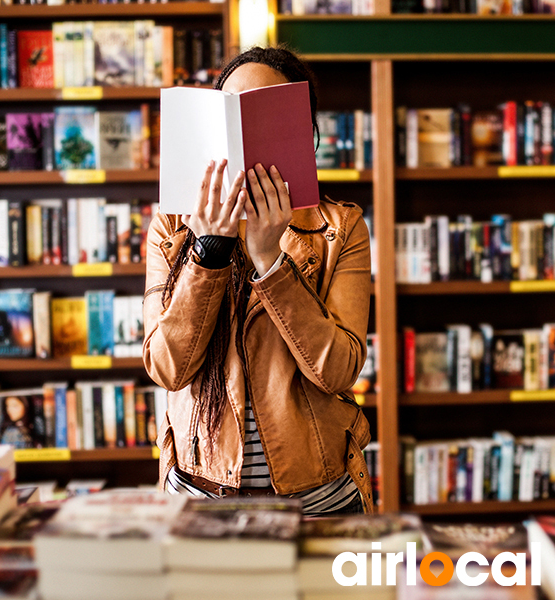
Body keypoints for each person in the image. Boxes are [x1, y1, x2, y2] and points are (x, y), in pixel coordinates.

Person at [143, 45, 373, 515]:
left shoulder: (339, 228)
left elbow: (338, 370)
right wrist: (209, 250)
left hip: (318, 504)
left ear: (301, 134)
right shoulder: (172, 227)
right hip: (201, 500)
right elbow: (167, 368)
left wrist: (271, 262)